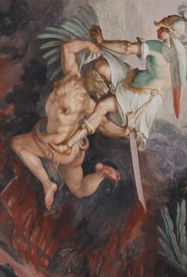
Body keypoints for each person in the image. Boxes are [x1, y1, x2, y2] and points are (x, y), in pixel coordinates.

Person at [10, 38, 126, 210]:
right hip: (70, 150)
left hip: (57, 147)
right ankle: (101, 175)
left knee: (17, 144)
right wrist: (123, 132)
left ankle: (47, 184)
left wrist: (88, 45)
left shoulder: (72, 76)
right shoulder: (87, 101)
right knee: (78, 189)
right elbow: (105, 126)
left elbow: (68, 48)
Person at [89, 11, 187, 149]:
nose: (158, 29)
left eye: (162, 28)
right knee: (102, 68)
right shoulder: (186, 55)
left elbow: (127, 48)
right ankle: (104, 99)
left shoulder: (157, 47)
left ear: (171, 32)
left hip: (137, 96)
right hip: (150, 99)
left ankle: (81, 132)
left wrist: (103, 42)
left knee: (103, 104)